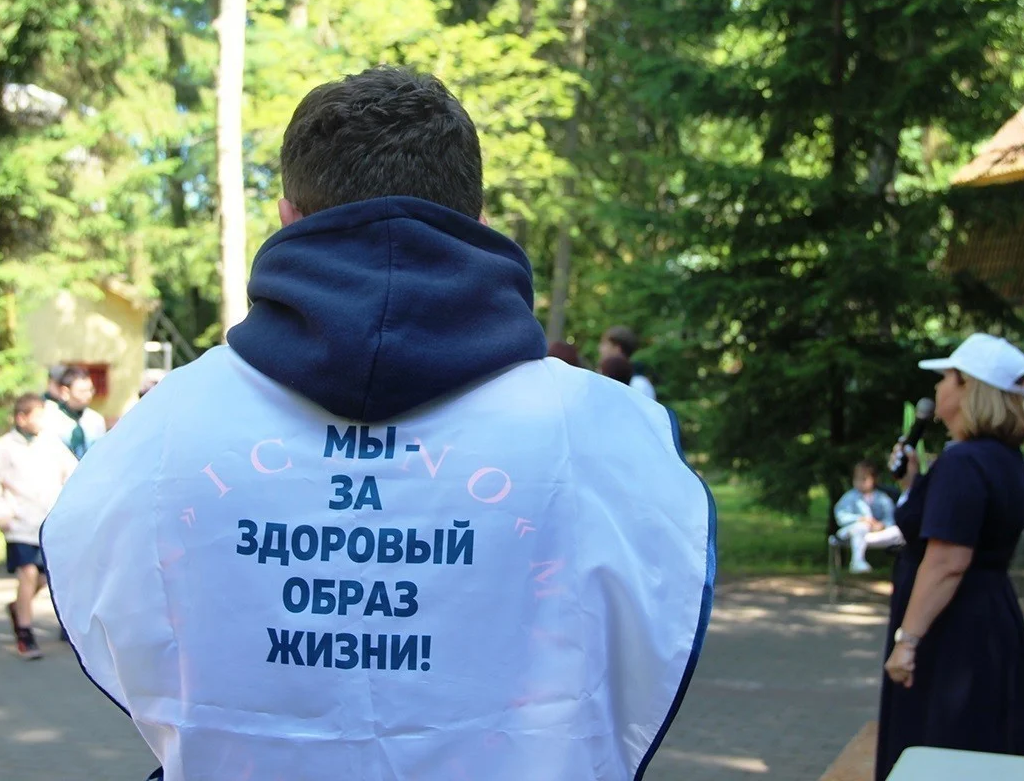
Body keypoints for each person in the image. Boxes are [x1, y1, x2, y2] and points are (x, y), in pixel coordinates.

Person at [42, 67, 715, 781]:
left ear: (288, 217)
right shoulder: (611, 437)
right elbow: (652, 644)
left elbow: (110, 616)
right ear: (479, 220)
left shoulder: (163, 428)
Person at [876, 333, 1024, 779]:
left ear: (968, 388)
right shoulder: (1003, 458)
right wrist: (914, 486)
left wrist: (908, 641)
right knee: (984, 745)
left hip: (952, 630)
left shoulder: (964, 463)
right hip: (987, 619)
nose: (938, 387)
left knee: (943, 746)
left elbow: (948, 561)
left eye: (947, 377)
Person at [0, 393, 78, 659]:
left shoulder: (51, 444)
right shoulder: (5, 447)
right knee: (27, 573)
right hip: (19, 524)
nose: (42, 421)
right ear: (21, 417)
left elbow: (73, 473)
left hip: (47, 523)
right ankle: (25, 633)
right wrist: (1, 513)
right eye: (37, 416)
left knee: (44, 578)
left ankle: (17, 607)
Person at [833, 460, 904, 573]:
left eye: (864, 479)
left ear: (874, 479)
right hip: (852, 533)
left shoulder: (882, 498)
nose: (859, 482)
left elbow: (891, 518)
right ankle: (857, 561)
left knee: (898, 532)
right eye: (857, 479)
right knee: (861, 527)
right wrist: (860, 519)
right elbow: (841, 517)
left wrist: (881, 525)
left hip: (874, 535)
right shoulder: (849, 497)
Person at [44, 367, 106, 459]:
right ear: (65, 392)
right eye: (82, 391)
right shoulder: (50, 418)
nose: (88, 395)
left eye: (91, 390)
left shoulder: (96, 420)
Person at [598, 326, 657, 400]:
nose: (600, 349)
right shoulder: (605, 378)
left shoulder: (639, 384)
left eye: (604, 344)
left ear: (617, 348)